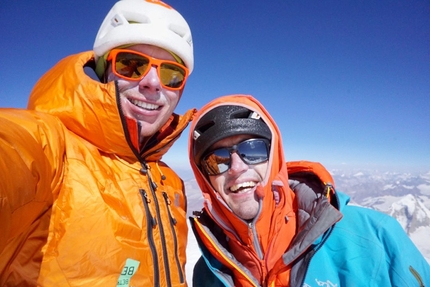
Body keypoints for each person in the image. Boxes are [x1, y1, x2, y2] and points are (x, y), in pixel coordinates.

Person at [0, 0, 194, 286]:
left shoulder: (170, 182)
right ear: (103, 70)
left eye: (171, 74)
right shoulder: (53, 149)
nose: (153, 83)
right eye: (132, 65)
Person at [188, 94, 430, 286]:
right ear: (205, 179)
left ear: (274, 158)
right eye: (217, 159)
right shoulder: (208, 273)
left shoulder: (375, 238)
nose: (236, 167)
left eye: (253, 149)